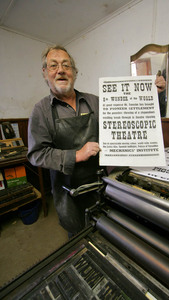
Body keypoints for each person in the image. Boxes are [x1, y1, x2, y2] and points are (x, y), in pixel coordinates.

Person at [27, 45, 102, 237]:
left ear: (74, 73)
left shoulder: (95, 102)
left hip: (100, 186)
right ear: (45, 73)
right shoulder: (41, 110)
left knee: (104, 232)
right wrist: (76, 155)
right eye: (53, 66)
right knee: (78, 239)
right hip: (68, 193)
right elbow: (37, 154)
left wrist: (152, 96)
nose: (61, 70)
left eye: (66, 65)